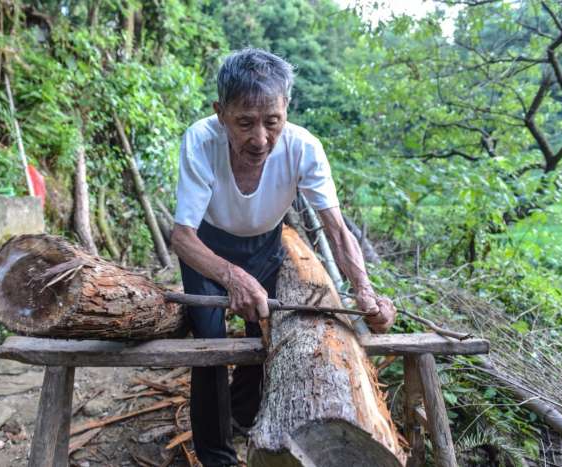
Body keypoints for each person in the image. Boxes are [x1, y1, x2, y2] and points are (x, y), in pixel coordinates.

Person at [170, 48, 397, 467]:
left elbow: (336, 229)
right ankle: (217, 456)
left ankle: (243, 413)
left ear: (286, 110)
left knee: (264, 330)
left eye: (272, 121)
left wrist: (365, 292)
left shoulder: (304, 147)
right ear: (220, 113)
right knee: (210, 344)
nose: (260, 139)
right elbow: (182, 237)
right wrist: (231, 275)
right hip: (205, 249)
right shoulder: (200, 141)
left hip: (265, 243)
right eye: (245, 123)